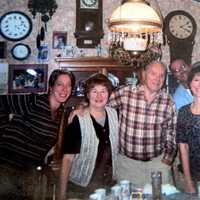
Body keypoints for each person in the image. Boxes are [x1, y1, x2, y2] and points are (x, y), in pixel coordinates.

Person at [0, 69, 75, 199]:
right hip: (7, 166)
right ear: (51, 87)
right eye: (60, 84)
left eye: (68, 85)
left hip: (27, 173)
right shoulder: (34, 101)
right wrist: (3, 130)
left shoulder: (60, 114)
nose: (64, 89)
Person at [109, 61, 177, 187]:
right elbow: (101, 104)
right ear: (144, 74)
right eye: (153, 74)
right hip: (128, 166)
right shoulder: (125, 93)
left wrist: (168, 159)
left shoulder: (168, 101)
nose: (157, 79)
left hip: (158, 163)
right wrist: (84, 105)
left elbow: (171, 133)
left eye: (162, 75)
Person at [58, 73, 118, 200]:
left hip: (109, 186)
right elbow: (67, 159)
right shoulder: (77, 120)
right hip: (81, 188)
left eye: (103, 91)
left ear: (109, 94)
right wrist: (62, 195)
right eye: (94, 91)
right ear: (87, 94)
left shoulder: (115, 115)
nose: (99, 96)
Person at [176, 65, 200, 194]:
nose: (199, 84)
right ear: (190, 84)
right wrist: (188, 180)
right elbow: (183, 147)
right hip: (193, 175)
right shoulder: (183, 111)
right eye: (196, 80)